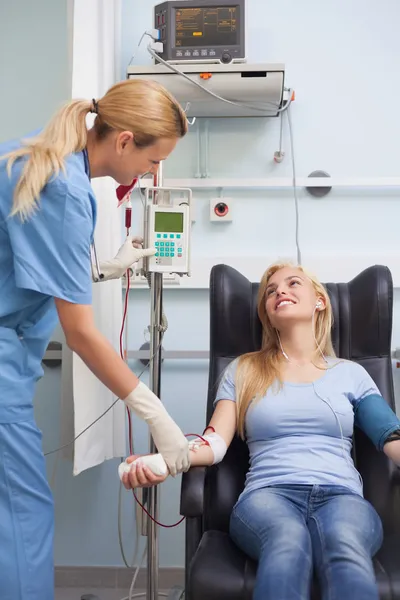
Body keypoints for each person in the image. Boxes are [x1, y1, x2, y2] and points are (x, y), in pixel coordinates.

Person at [0, 78, 191, 600]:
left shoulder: (30, 153)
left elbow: (24, 264)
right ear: (125, 140)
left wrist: (103, 269)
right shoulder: (65, 187)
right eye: (153, 161)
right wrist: (156, 415)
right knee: (21, 519)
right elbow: (80, 332)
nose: (152, 174)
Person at [123, 262, 400, 600]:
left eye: (293, 283)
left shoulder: (351, 373)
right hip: (268, 496)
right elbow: (214, 442)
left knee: (344, 543)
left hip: (340, 496)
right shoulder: (244, 369)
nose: (280, 291)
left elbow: (390, 436)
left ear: (320, 301)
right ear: (267, 314)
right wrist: (167, 461)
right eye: (271, 291)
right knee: (287, 542)